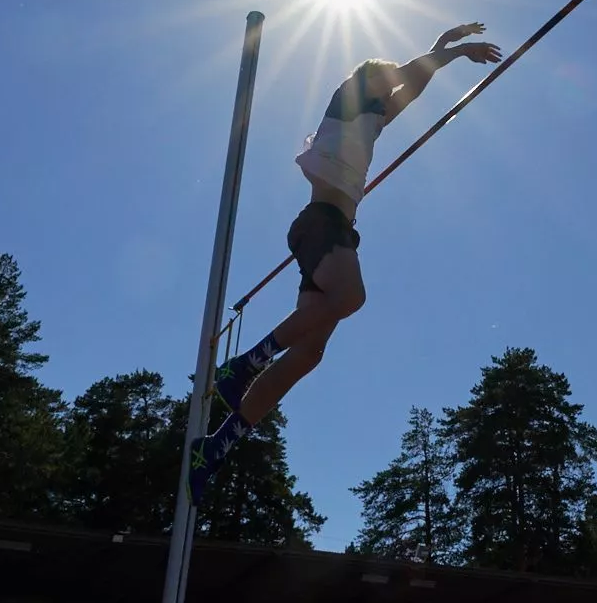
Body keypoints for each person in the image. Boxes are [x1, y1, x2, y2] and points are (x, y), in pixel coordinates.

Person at [194, 24, 506, 475]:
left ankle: (216, 447)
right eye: (386, 82)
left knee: (309, 353)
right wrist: (455, 52)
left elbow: (416, 80)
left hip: (336, 230)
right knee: (350, 298)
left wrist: (443, 46)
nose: (391, 92)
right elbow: (408, 71)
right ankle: (244, 364)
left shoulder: (373, 119)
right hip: (319, 225)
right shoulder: (347, 97)